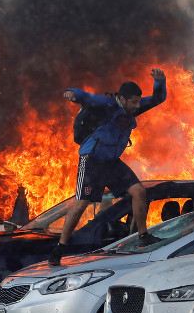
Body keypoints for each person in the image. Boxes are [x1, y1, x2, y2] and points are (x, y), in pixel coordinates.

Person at [48, 68, 167, 266]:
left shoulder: (135, 106)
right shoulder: (107, 105)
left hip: (112, 163)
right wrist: (72, 93)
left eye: (139, 101)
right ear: (122, 99)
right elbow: (85, 96)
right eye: (134, 102)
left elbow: (158, 98)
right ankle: (59, 249)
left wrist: (160, 82)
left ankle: (143, 236)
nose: (138, 106)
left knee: (138, 191)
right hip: (92, 160)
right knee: (80, 205)